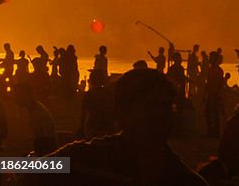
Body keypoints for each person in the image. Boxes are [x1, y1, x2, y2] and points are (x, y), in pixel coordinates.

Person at [42, 68, 207, 185]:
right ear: (123, 110)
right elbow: (24, 169)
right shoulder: (83, 159)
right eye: (151, 106)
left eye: (167, 106)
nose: (162, 114)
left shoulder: (185, 180)